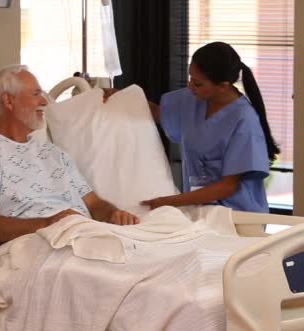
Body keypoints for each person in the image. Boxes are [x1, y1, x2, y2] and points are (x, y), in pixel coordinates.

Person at [0, 65, 139, 259]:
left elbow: (93, 203)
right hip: (38, 250)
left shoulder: (53, 154)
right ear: (8, 101)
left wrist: (113, 214)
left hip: (84, 237)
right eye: (35, 94)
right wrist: (49, 223)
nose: (44, 101)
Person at [105, 42, 279, 213]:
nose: (190, 86)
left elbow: (227, 186)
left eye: (198, 83)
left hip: (239, 214)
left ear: (223, 86)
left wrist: (168, 202)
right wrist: (123, 98)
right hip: (201, 210)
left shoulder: (244, 121)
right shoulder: (193, 98)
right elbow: (159, 113)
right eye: (191, 79)